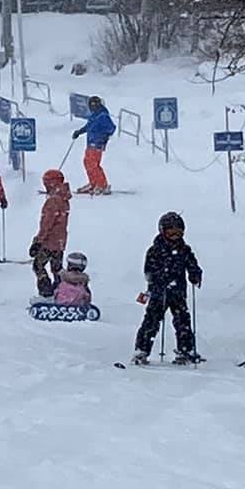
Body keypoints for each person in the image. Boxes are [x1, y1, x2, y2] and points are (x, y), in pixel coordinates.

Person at [133, 210, 203, 364]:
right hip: (159, 292)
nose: (175, 235)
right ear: (163, 231)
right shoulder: (155, 250)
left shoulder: (184, 250)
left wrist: (195, 275)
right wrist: (156, 279)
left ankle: (186, 350)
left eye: (178, 232)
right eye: (171, 232)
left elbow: (192, 265)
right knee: (151, 321)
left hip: (177, 292)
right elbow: (149, 270)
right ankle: (141, 351)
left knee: (182, 321)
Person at [30, 167, 72, 297]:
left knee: (38, 265)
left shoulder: (53, 200)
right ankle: (61, 291)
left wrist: (38, 240)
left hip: (50, 241)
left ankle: (46, 291)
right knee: (56, 268)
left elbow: (47, 223)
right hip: (60, 241)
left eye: (46, 182)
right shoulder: (63, 198)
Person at [73, 95, 117, 195]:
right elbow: (89, 126)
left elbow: (111, 128)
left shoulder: (103, 115)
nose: (91, 107)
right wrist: (79, 132)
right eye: (90, 105)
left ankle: (102, 185)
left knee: (93, 164)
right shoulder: (95, 115)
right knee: (87, 162)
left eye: (93, 105)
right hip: (90, 143)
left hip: (97, 144)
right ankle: (94, 183)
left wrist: (104, 137)